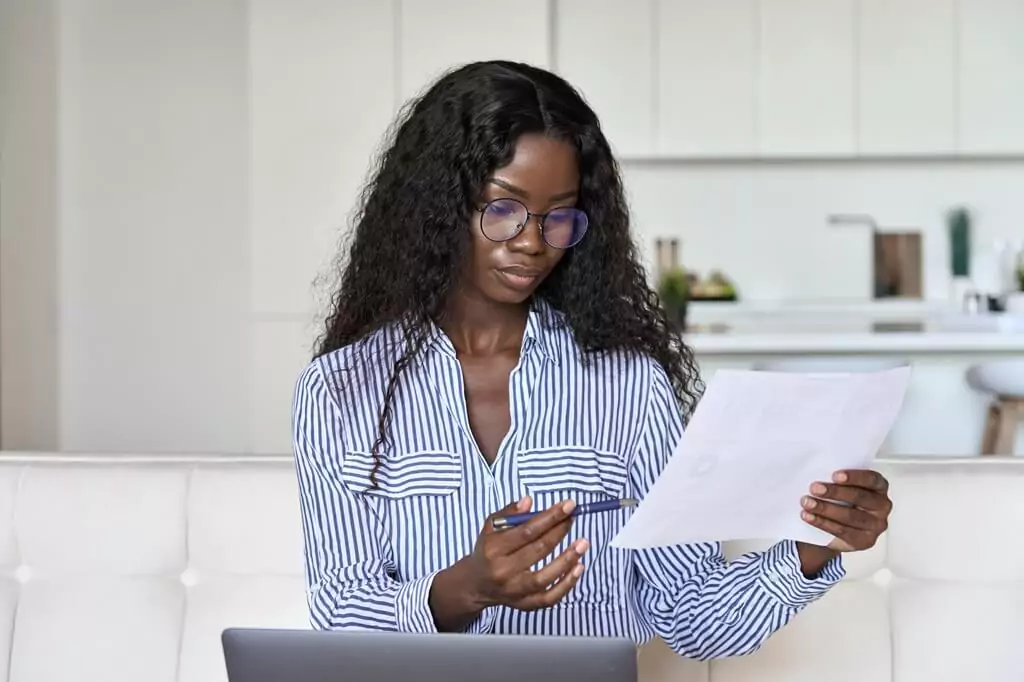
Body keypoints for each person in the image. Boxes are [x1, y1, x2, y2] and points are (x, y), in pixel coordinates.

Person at [291, 60, 893, 659]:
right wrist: (465, 589)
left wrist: (816, 545)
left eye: (561, 217)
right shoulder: (341, 392)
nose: (532, 241)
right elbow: (341, 616)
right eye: (503, 209)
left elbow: (693, 615)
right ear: (438, 208)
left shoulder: (627, 383)